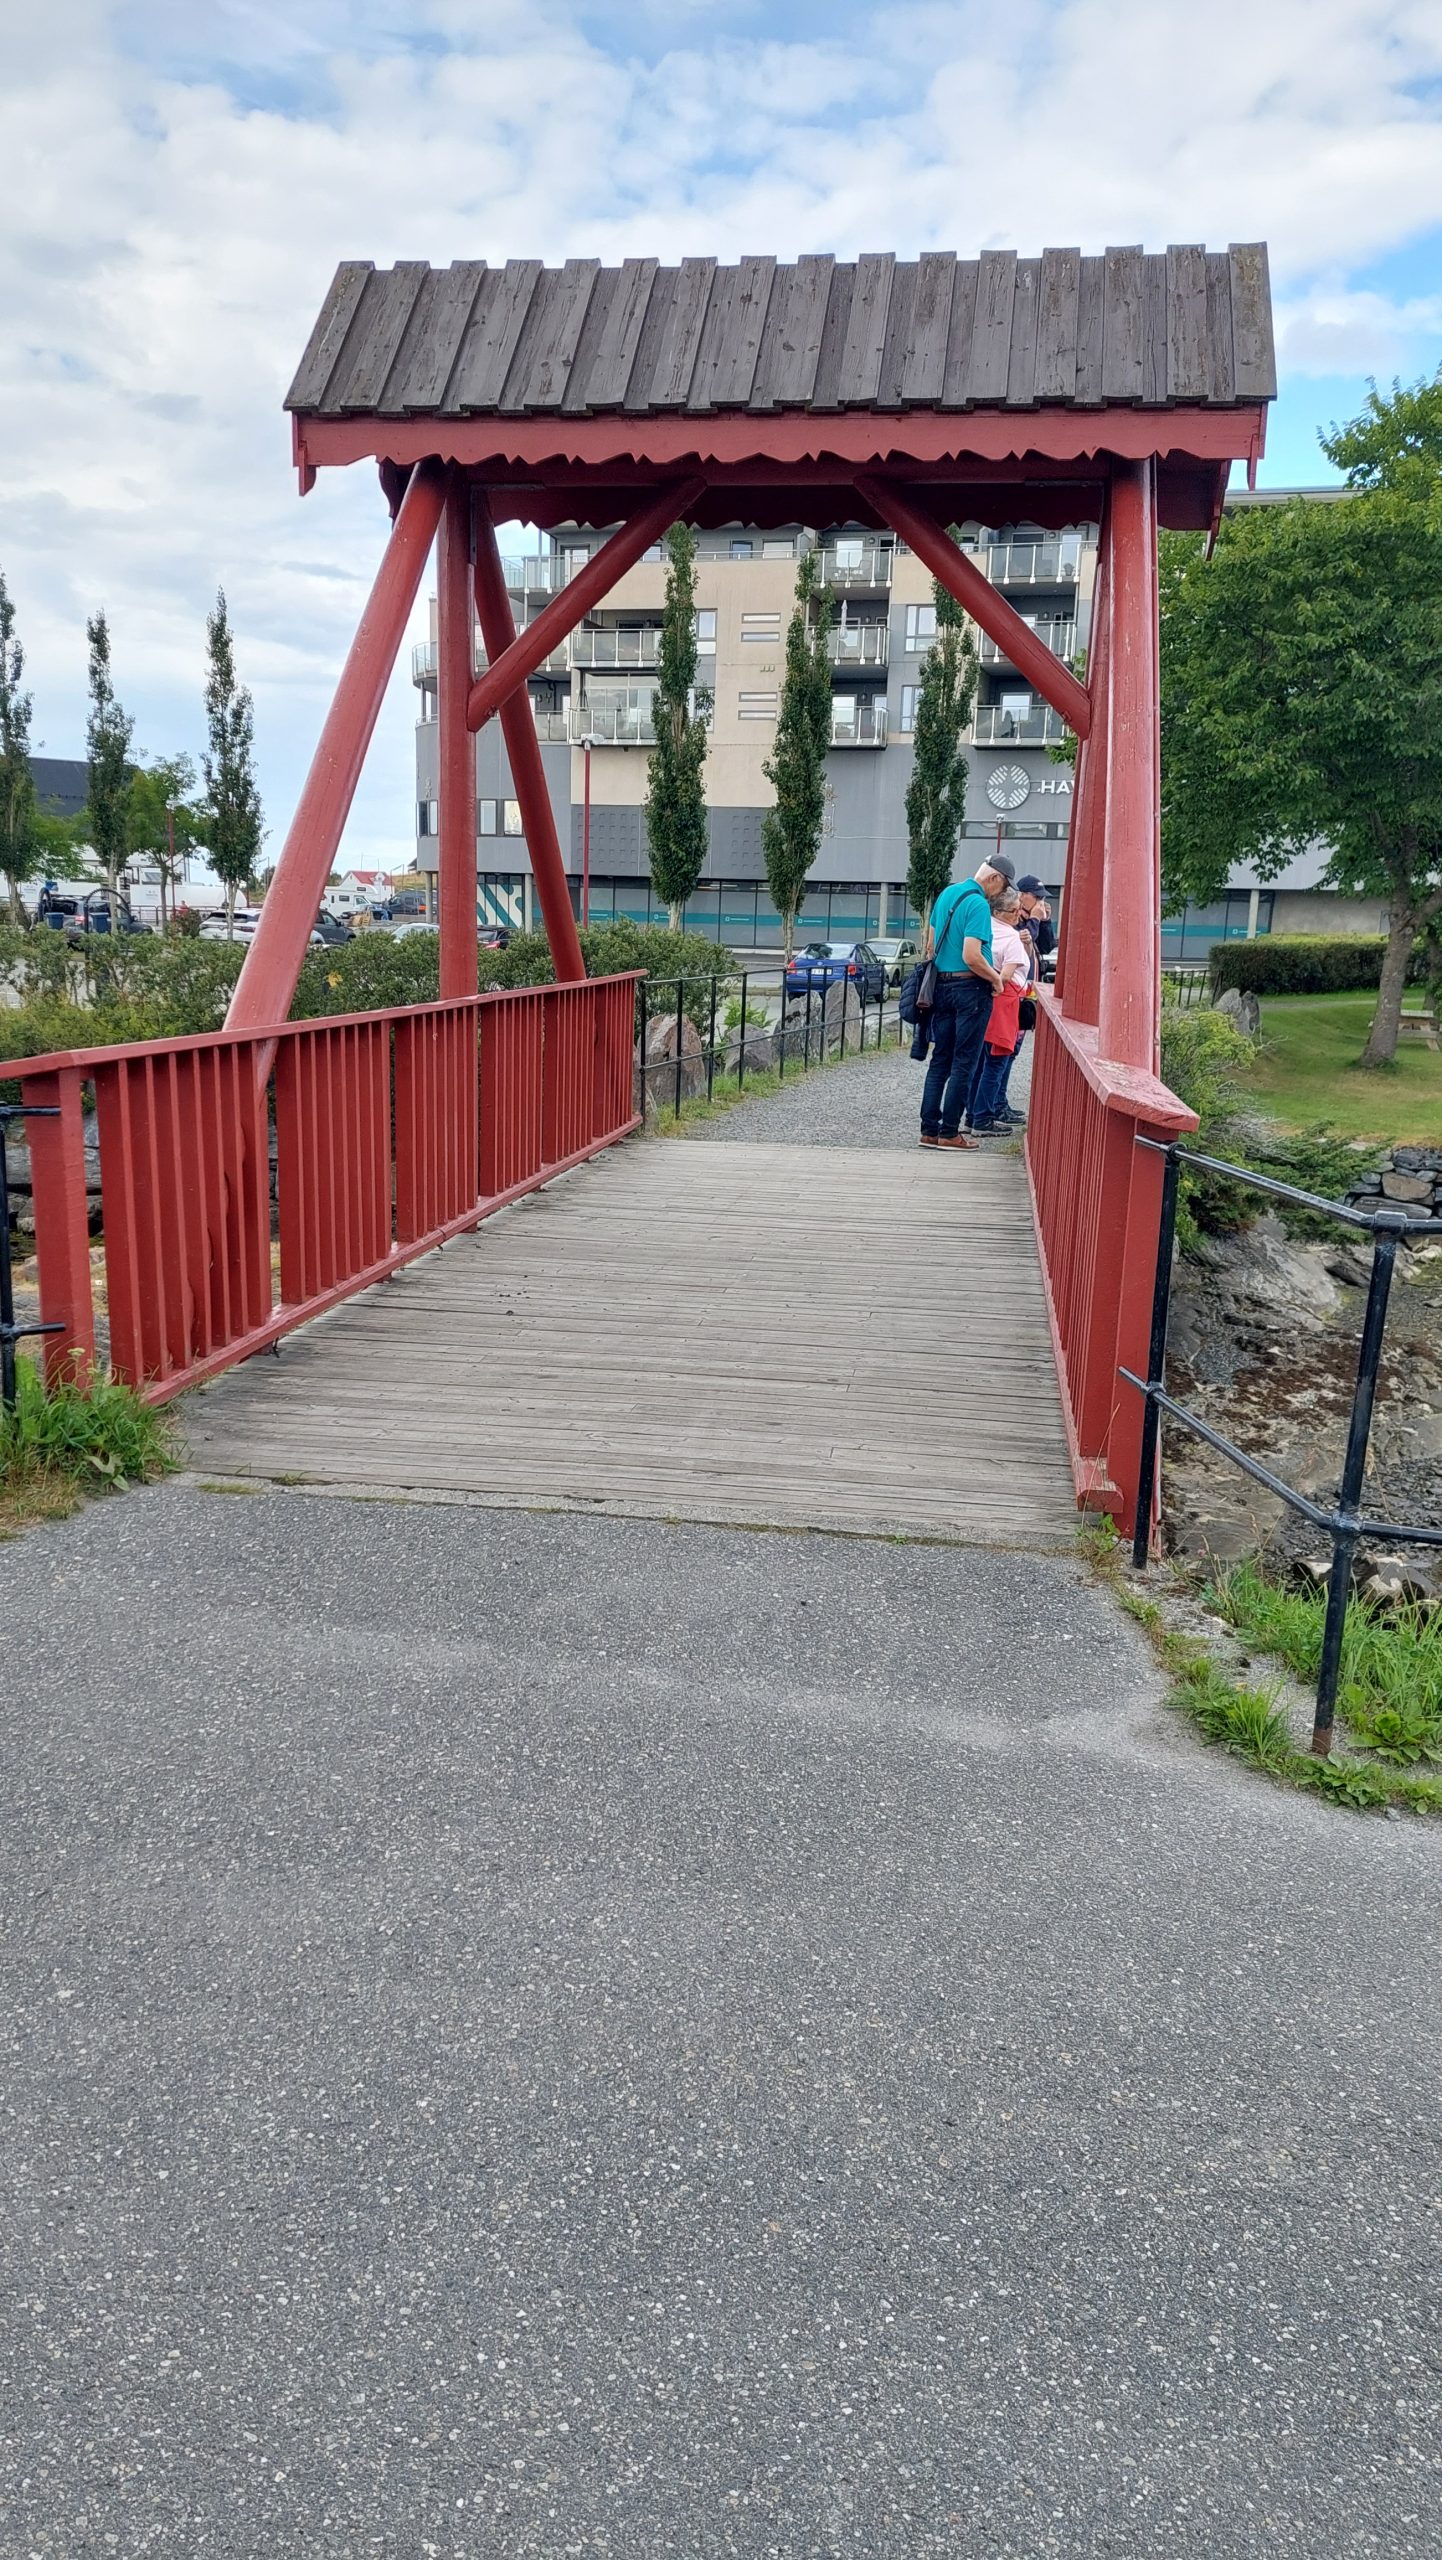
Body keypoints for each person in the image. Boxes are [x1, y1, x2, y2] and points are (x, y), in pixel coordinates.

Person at [918, 853, 1014, 1150]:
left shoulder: (948, 893)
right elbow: (972, 955)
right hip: (970, 989)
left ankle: (929, 1130)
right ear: (994, 878)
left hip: (941, 987)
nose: (1001, 893)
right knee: (964, 1062)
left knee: (940, 1060)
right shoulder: (978, 904)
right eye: (1004, 886)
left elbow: (930, 945)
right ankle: (949, 1132)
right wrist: (996, 979)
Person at [966, 887, 1032, 1133]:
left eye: (1018, 910)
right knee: (997, 1061)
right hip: (1005, 1000)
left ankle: (971, 1114)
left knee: (980, 1061)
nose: (1018, 914)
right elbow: (1007, 974)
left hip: (981, 997)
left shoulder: (983, 930)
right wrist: (998, 982)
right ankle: (984, 1117)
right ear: (998, 912)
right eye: (1013, 911)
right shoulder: (1012, 938)